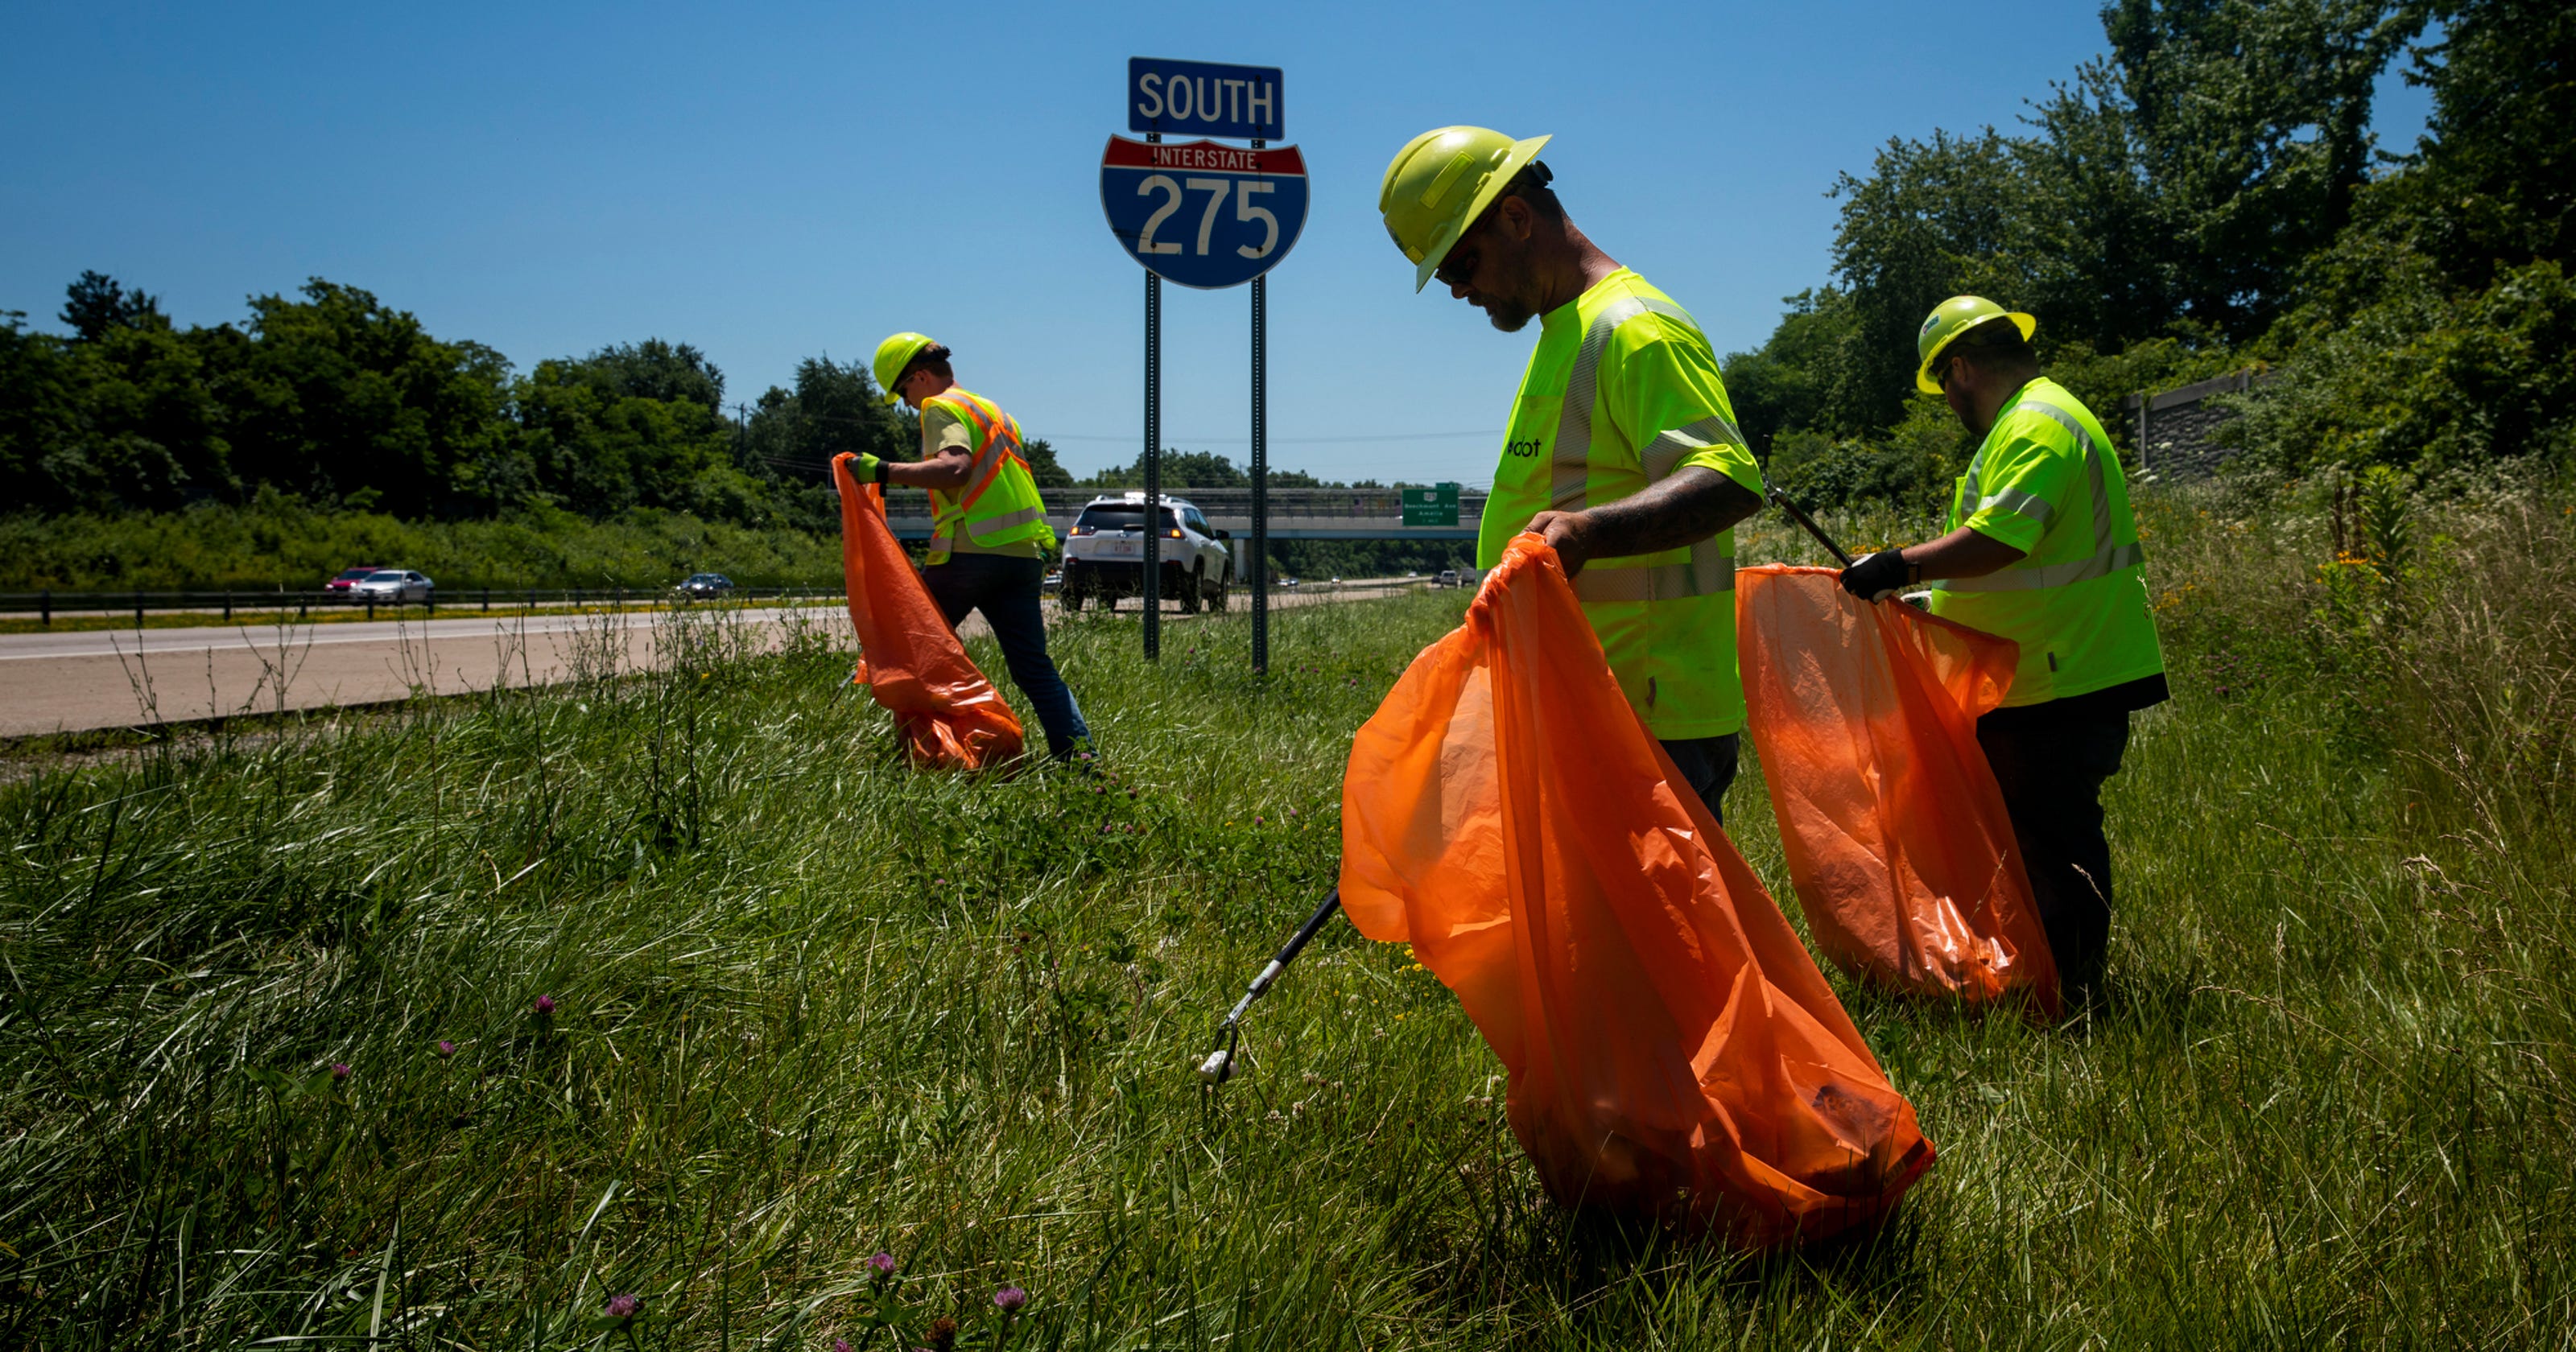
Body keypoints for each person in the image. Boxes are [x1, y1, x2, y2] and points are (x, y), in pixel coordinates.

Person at [1379, 127, 1765, 820]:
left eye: (1462, 262)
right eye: (1444, 276)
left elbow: (1728, 478)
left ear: (1517, 218)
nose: (1459, 289)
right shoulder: (1565, 330)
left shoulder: (1632, 327)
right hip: (1591, 705)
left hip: (1649, 719)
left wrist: (1587, 531)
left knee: (1636, 934)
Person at [1837, 296, 2169, 996]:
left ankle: (2074, 999)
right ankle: (2052, 983)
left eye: (1945, 391)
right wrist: (1930, 603)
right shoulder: (2041, 418)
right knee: (2039, 844)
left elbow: (1999, 540)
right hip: (2049, 670)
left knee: (2056, 849)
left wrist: (1898, 565)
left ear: (1959, 369)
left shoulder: (2035, 424)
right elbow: (2028, 563)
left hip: (2060, 677)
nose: (1951, 406)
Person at [860, 332, 1091, 760]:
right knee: (1035, 671)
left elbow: (955, 469)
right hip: (1021, 557)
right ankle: (1083, 765)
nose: (909, 404)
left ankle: (920, 756)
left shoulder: (939, 406)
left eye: (904, 392)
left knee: (911, 653)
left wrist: (883, 470)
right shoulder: (994, 411)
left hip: (970, 555)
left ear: (921, 378)